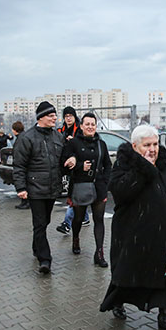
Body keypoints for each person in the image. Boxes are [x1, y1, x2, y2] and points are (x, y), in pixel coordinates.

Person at [99, 125, 166, 330]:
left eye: (155, 144)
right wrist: (144, 168)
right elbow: (122, 192)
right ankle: (118, 301)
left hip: (165, 233)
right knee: (128, 272)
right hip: (135, 233)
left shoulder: (162, 162)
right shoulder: (125, 164)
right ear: (135, 146)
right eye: (147, 145)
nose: (153, 149)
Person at [13, 102, 65, 274]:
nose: (55, 119)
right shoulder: (27, 138)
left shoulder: (58, 137)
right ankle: (45, 259)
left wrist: (71, 159)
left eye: (55, 115)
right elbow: (19, 166)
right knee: (40, 223)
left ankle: (37, 247)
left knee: (45, 222)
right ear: (41, 117)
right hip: (35, 188)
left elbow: (63, 159)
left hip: (52, 188)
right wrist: (21, 187)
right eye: (51, 116)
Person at [61, 112, 111, 266]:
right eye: (87, 124)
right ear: (81, 126)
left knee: (99, 221)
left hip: (98, 188)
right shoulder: (74, 143)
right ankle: (76, 239)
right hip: (79, 187)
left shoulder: (101, 144)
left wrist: (106, 181)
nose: (90, 127)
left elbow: (108, 164)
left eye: (93, 124)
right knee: (78, 218)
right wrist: (79, 166)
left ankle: (99, 254)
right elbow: (63, 165)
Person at [56, 106, 90, 234]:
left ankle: (67, 223)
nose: (68, 118)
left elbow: (84, 146)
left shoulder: (80, 130)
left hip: (80, 166)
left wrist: (74, 142)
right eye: (66, 116)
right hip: (68, 167)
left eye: (70, 115)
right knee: (79, 195)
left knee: (76, 196)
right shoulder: (61, 131)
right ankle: (85, 218)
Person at [11, 121, 30, 210]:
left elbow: (19, 153)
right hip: (26, 165)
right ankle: (25, 202)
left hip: (23, 165)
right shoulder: (24, 136)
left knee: (24, 184)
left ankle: (25, 202)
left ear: (15, 130)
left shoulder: (20, 139)